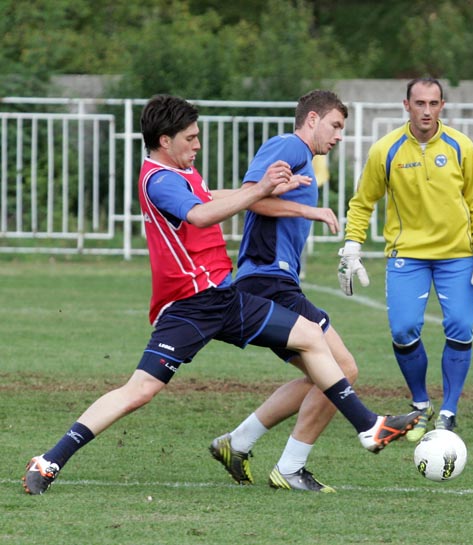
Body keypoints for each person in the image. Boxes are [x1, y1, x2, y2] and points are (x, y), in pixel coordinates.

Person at [22, 94, 420, 496]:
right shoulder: (158, 180)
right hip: (191, 307)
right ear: (165, 140)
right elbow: (199, 214)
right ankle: (50, 459)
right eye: (191, 138)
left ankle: (369, 427)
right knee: (139, 390)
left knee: (312, 337)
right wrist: (262, 188)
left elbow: (209, 197)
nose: (197, 145)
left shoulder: (181, 172)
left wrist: (290, 201)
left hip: (226, 298)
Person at [337, 77, 473, 442]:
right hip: (406, 255)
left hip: (456, 255)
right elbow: (363, 202)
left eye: (433, 103)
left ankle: (448, 411)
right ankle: (422, 404)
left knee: (459, 324)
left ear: (442, 106)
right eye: (420, 103)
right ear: (406, 105)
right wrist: (351, 247)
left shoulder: (462, 147)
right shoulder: (386, 149)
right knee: (403, 329)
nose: (427, 110)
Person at [209, 90, 356, 493]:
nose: (339, 135)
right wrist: (310, 210)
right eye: (336, 125)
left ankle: (236, 443)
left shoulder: (301, 159)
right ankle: (290, 468)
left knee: (321, 374)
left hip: (274, 279)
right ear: (312, 118)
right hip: (269, 279)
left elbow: (249, 197)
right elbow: (253, 196)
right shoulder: (290, 145)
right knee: (341, 369)